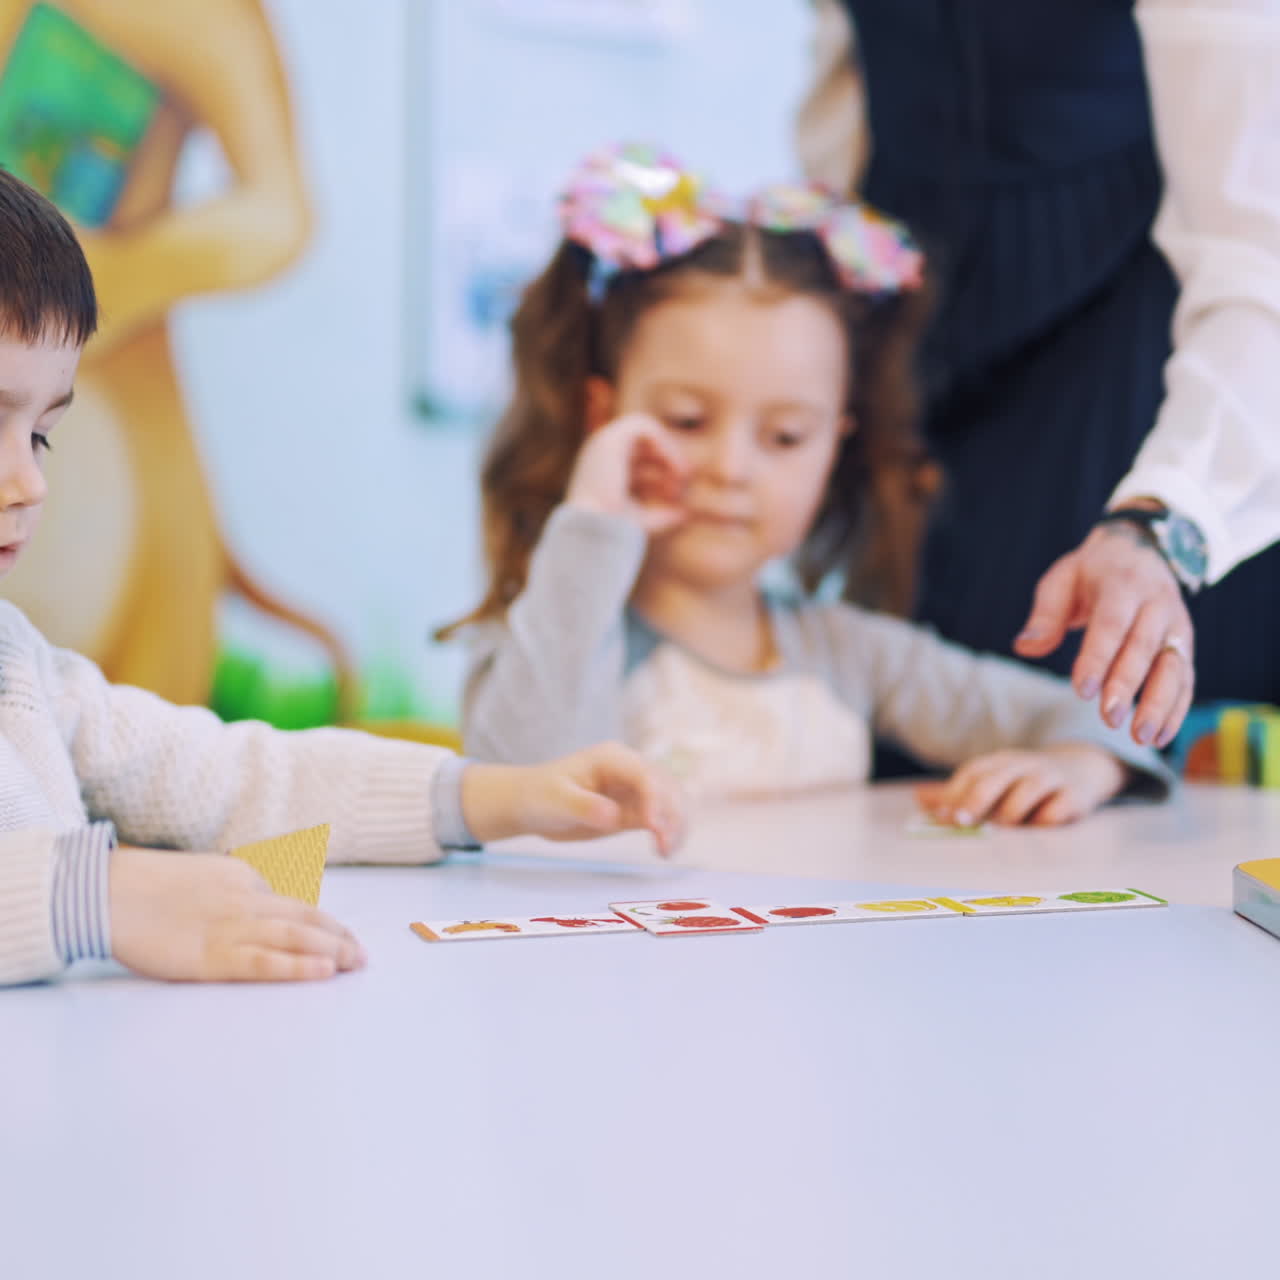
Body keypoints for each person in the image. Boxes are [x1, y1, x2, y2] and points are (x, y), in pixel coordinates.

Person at [0, 165, 685, 989]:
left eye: (42, 435)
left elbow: (233, 778)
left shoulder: (23, 668)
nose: (29, 481)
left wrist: (488, 797)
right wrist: (96, 896)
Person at [447, 145, 1172, 823]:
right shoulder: (549, 638)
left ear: (835, 445)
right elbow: (521, 788)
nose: (730, 468)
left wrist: (1083, 766)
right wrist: (595, 520)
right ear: (604, 416)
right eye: (688, 419)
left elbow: (1088, 718)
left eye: (786, 437)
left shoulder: (849, 653)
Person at [811, 0, 1280, 752]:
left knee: (1073, 742)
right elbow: (842, 101)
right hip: (913, 347)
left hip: (1131, 368)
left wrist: (1164, 517)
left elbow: (1259, 262)